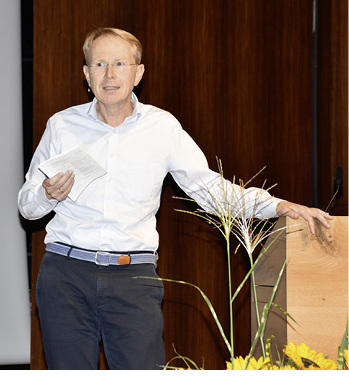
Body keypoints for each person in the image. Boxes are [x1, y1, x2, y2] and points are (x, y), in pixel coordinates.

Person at [18, 27, 332, 370]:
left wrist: (276, 206)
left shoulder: (162, 128)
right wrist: (48, 195)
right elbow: (27, 206)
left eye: (120, 63)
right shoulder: (62, 126)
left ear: (138, 73)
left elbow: (209, 188)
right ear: (86, 74)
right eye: (99, 64)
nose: (109, 74)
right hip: (66, 277)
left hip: (132, 279)